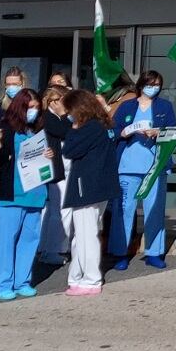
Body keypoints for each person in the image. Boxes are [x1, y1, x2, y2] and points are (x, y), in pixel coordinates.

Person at [0, 88, 56, 299]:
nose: (33, 111)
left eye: (36, 107)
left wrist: (50, 155)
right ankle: (3, 284)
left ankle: (22, 280)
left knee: (29, 240)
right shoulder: (5, 128)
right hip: (11, 195)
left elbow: (47, 161)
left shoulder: (39, 130)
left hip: (34, 193)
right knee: (6, 241)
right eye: (29, 107)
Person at [110, 71, 176, 270]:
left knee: (154, 211)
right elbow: (113, 131)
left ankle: (154, 253)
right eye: (150, 83)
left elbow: (173, 133)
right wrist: (125, 132)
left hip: (154, 167)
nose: (153, 87)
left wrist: (159, 132)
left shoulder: (165, 106)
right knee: (124, 211)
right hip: (127, 166)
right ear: (141, 85)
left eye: (157, 84)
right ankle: (120, 252)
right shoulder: (127, 106)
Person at [58, 89, 116, 296]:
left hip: (87, 187)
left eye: (70, 111)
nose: (68, 115)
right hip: (98, 187)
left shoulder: (90, 127)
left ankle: (91, 279)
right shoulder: (104, 124)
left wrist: (73, 128)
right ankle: (77, 276)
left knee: (86, 235)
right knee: (82, 235)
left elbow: (69, 150)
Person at [35, 84, 72, 267]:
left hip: (61, 169)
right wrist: (66, 116)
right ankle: (52, 249)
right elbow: (65, 130)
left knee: (54, 211)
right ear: (54, 102)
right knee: (56, 212)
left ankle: (48, 248)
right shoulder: (48, 118)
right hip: (54, 171)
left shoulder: (55, 117)